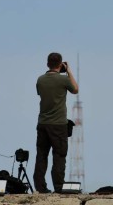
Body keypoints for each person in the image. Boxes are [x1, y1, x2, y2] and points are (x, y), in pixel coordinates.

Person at [33, 52, 79, 194]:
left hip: (43, 123)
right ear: (61, 64)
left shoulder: (40, 80)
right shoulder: (63, 80)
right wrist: (69, 71)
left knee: (41, 155)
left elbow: (41, 94)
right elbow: (75, 89)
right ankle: (58, 187)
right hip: (58, 125)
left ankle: (40, 187)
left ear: (47, 64)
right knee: (59, 156)